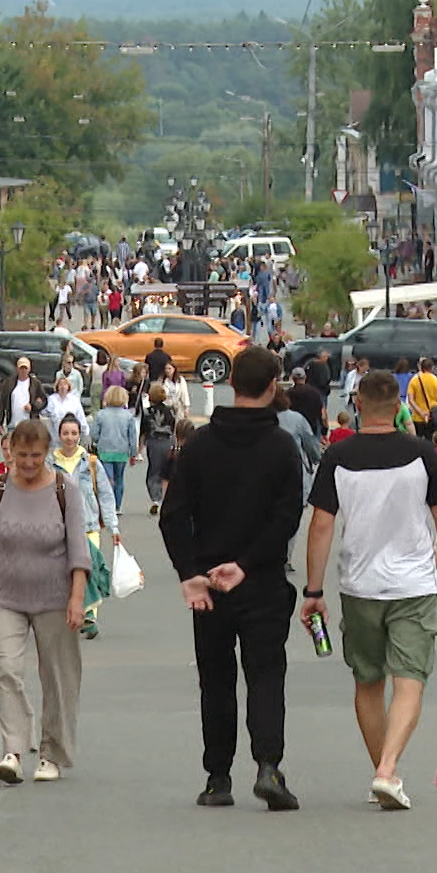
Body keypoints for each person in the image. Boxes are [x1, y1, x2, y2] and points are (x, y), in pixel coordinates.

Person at [300, 370, 437, 809]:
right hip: (412, 582)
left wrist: (313, 589)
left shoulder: (338, 456)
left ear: (358, 404)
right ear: (398, 407)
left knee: (367, 681)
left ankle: (383, 770)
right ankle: (387, 770)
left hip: (360, 584)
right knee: (410, 678)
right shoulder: (421, 454)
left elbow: (320, 525)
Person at [159, 346, 306, 811]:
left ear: (232, 384)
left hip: (208, 582)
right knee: (266, 674)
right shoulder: (281, 445)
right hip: (258, 578)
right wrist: (246, 563)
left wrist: (190, 573)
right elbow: (287, 516)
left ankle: (217, 777)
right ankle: (268, 766)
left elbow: (173, 515)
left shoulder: (202, 443)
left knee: (216, 679)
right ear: (271, 386)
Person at [0, 420, 91, 784]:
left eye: (35, 455)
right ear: (10, 451)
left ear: (47, 453)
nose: (27, 462)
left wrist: (76, 597)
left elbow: (78, 550)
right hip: (4, 595)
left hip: (54, 597)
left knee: (58, 677)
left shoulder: (63, 490)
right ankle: (13, 751)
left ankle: (51, 753)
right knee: (8, 670)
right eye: (21, 455)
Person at [51, 415, 121, 640]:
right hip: (59, 526)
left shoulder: (90, 462)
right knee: (65, 571)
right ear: (59, 435)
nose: (70, 438)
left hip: (88, 524)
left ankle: (89, 615)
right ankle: (71, 611)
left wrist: (113, 526)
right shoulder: (49, 463)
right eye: (65, 433)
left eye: (74, 433)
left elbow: (106, 496)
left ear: (79, 435)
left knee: (87, 569)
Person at [274, 386, 325, 507]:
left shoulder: (259, 418)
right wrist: (316, 457)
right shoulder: (296, 419)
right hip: (294, 474)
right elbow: (309, 442)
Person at [90, 386, 139, 509]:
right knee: (119, 478)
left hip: (105, 450)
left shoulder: (101, 415)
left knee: (107, 478)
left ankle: (108, 504)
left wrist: (97, 442)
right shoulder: (128, 416)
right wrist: (133, 453)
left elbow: (94, 434)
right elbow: (132, 437)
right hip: (122, 451)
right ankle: (118, 505)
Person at [139, 384, 176, 516]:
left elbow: (143, 430)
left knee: (154, 470)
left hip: (153, 442)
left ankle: (156, 498)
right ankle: (166, 496)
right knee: (167, 471)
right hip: (168, 441)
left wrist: (139, 447)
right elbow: (173, 427)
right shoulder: (171, 410)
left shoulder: (147, 412)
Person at [0, 357, 49, 435]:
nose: (23, 370)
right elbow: (2, 403)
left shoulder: (35, 383)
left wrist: (33, 406)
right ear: (17, 369)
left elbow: (44, 400)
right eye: (21, 368)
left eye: (25, 368)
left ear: (29, 369)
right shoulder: (9, 383)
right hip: (13, 425)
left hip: (30, 426)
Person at [406, 357, 437, 439]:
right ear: (432, 368)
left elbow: (411, 399)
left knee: (418, 442)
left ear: (421, 367)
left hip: (418, 417)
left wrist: (420, 412)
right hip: (433, 417)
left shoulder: (414, 381)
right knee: (431, 441)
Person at [45, 374, 89, 442]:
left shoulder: (74, 400)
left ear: (68, 387)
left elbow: (81, 417)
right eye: (60, 385)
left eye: (65, 384)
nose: (63, 387)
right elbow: (46, 414)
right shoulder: (51, 399)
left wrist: (86, 433)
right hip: (55, 437)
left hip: (71, 437)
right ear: (57, 387)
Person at [286, 367, 326, 437]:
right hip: (311, 429)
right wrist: (324, 431)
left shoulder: (287, 394)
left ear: (292, 378)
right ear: (305, 377)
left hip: (293, 430)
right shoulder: (315, 393)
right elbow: (323, 415)